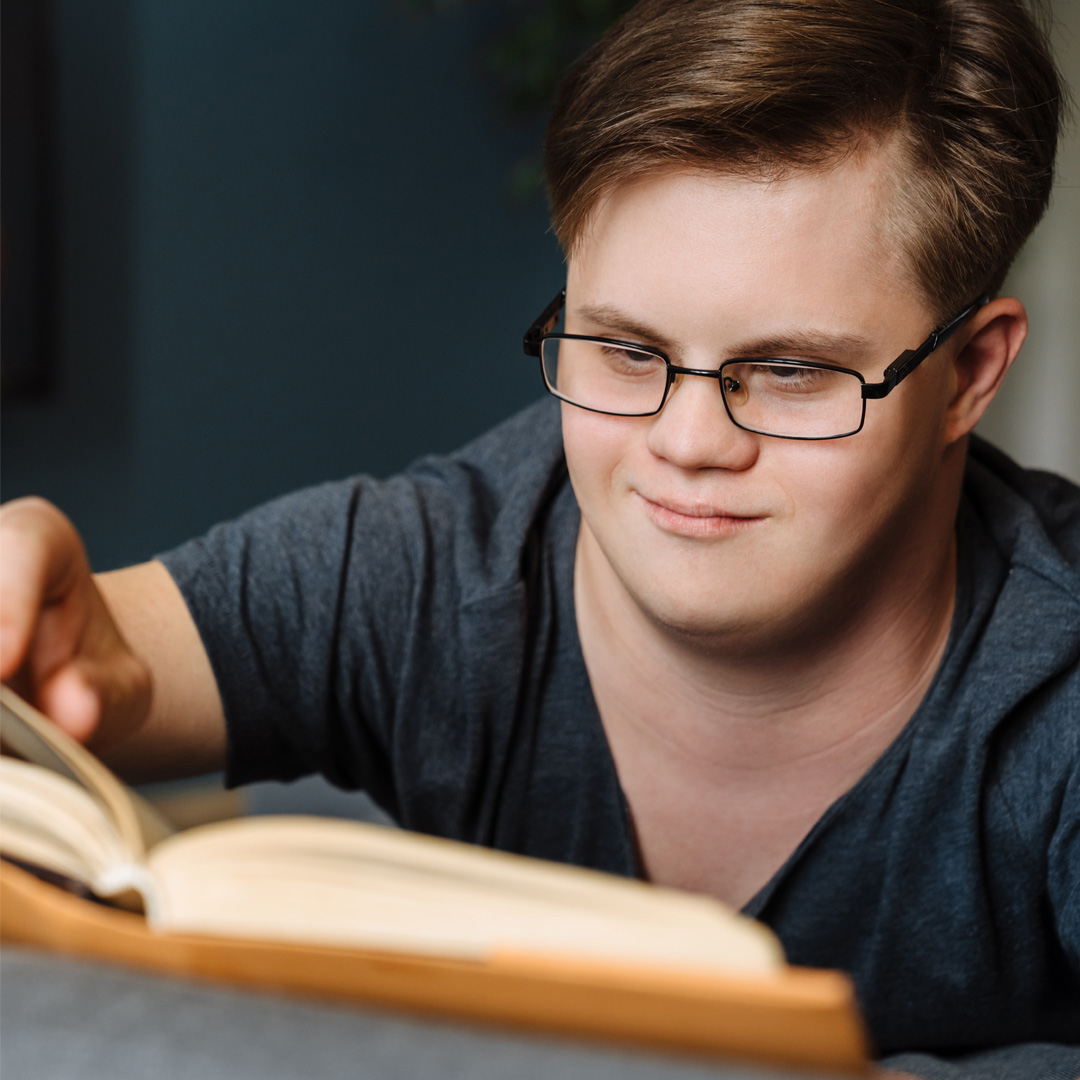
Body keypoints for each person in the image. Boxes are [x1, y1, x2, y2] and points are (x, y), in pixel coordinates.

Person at [1, 0, 1077, 1075]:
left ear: (968, 376)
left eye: (792, 371)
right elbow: (99, 654)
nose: (686, 440)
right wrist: (54, 634)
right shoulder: (436, 569)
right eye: (623, 349)